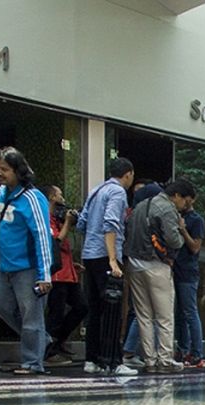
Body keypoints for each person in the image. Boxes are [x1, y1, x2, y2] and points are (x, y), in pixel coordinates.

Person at [0, 146, 53, 375]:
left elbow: (42, 236)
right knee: (3, 308)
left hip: (28, 269)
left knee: (31, 317)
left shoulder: (32, 198)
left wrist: (44, 275)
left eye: (4, 169)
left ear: (18, 171)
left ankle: (32, 363)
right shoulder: (3, 194)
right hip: (6, 268)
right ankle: (41, 339)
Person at [124, 178, 194, 373]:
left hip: (134, 264)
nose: (185, 206)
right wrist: (181, 229)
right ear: (177, 195)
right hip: (157, 265)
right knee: (164, 316)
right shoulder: (167, 209)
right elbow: (174, 241)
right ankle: (165, 359)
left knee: (143, 315)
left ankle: (149, 359)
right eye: (185, 201)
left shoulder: (140, 206)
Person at [75, 156, 136, 376]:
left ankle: (91, 359)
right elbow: (111, 223)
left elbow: (81, 223)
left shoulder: (96, 190)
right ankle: (112, 361)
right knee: (112, 309)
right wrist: (112, 259)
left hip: (90, 255)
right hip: (106, 254)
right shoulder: (118, 192)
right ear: (128, 174)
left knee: (94, 309)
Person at [43, 185, 86, 365]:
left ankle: (59, 341)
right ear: (52, 196)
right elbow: (55, 242)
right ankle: (49, 351)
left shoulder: (57, 219)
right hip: (56, 275)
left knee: (82, 307)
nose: (62, 198)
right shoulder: (46, 218)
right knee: (56, 313)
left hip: (68, 272)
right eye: (60, 194)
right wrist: (67, 223)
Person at [173, 196, 205, 367]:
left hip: (188, 272)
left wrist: (183, 230)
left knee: (189, 312)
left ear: (192, 199)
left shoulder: (197, 220)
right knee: (179, 313)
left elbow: (195, 247)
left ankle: (197, 353)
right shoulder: (175, 214)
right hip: (174, 270)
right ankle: (182, 349)